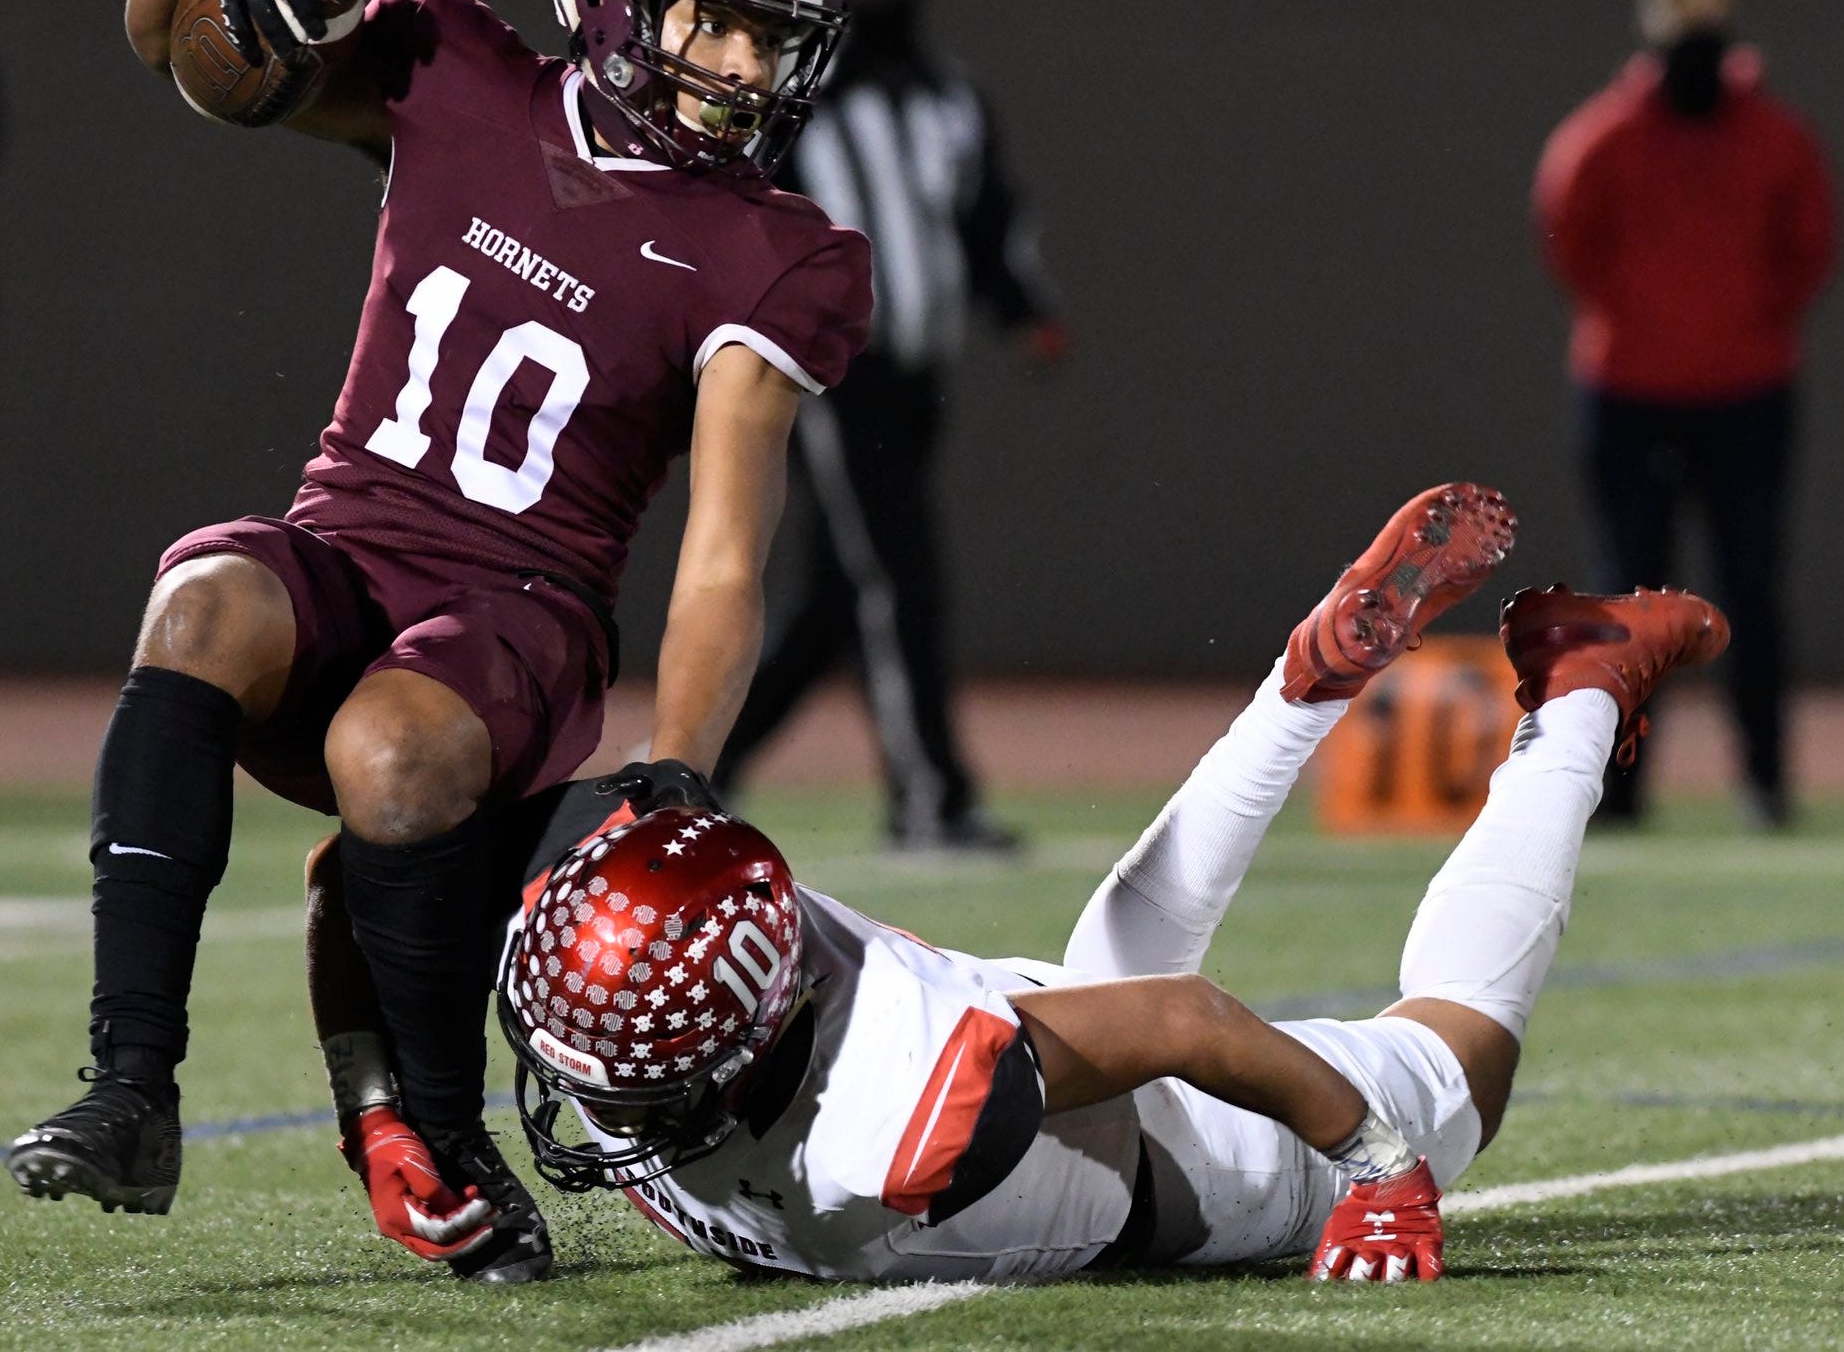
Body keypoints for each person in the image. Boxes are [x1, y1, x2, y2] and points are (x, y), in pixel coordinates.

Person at [5, 0, 872, 1285]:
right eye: (712, 20)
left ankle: (448, 1134)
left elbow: (725, 553)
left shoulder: (772, 249)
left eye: (769, 38)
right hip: (348, 541)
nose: (741, 67)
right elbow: (185, 51)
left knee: (390, 748)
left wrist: (680, 760)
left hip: (525, 613)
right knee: (201, 600)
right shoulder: (456, 65)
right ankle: (130, 1086)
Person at [306, 483, 1729, 1284]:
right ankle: (1295, 693)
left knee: (1461, 1055)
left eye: (632, 1087)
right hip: (1011, 1027)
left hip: (1194, 1168)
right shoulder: (618, 881)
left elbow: (1178, 1023)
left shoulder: (888, 1131)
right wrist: (380, 1115)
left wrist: (1376, 1169)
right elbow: (353, 877)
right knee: (1091, 999)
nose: (597, 1106)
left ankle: (1582, 681)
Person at [711, 0, 1069, 851]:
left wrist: (1025, 311)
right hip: (837, 376)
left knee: (842, 596)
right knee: (900, 580)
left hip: (921, 381)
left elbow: (988, 216)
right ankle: (930, 798)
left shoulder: (948, 96)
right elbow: (744, 219)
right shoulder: (794, 98)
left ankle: (695, 765)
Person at [1534, 0, 1834, 828]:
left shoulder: (1779, 140)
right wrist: (1644, 322)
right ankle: (1618, 791)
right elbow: (1569, 241)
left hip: (1748, 391)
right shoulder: (1602, 139)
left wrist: (1745, 322)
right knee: (1627, 600)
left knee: (1751, 591)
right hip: (1629, 394)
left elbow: (1809, 247)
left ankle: (1765, 786)